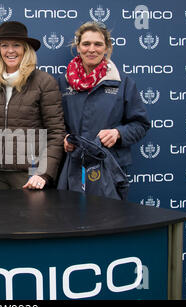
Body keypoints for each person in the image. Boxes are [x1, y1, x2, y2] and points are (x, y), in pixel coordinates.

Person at [57, 21, 150, 197]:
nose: (91, 49)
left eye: (98, 44)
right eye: (86, 44)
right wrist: (64, 137)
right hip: (74, 166)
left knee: (109, 221)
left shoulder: (123, 83)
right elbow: (54, 123)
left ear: (106, 47)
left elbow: (141, 124)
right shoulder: (63, 82)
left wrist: (118, 133)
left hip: (109, 167)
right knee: (70, 220)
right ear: (78, 47)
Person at [0, 21, 65, 190]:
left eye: (16, 45)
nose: (10, 50)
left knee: (30, 217)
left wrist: (44, 172)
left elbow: (56, 133)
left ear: (26, 49)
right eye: (4, 45)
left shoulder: (44, 82)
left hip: (29, 175)